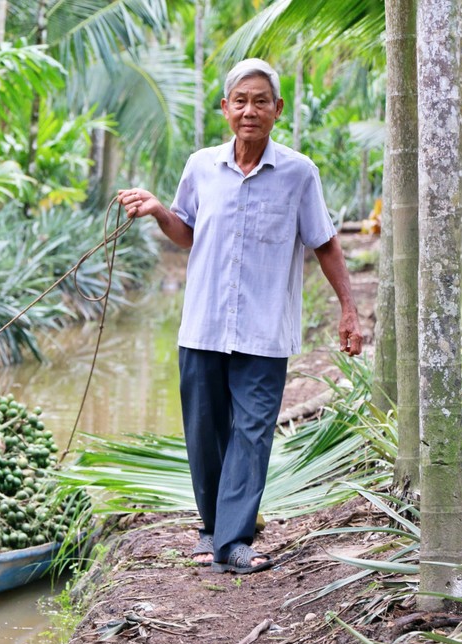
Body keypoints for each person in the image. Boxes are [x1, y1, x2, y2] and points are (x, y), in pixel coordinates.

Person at [117, 58, 363, 574]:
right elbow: (187, 232)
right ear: (225, 108)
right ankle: (212, 529)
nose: (250, 110)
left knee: (253, 433)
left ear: (278, 110)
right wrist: (160, 211)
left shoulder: (299, 173)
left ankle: (232, 542)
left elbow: (325, 244)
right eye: (240, 101)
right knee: (205, 432)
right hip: (203, 324)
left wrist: (348, 309)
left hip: (264, 330)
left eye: (260, 101)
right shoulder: (200, 166)